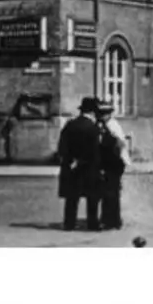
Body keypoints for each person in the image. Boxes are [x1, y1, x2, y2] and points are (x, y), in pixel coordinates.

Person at [57, 96, 104, 231]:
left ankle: (69, 224)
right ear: (93, 112)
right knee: (92, 197)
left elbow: (62, 147)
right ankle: (92, 224)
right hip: (89, 168)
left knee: (72, 198)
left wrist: (70, 161)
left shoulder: (70, 125)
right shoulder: (93, 128)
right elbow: (95, 151)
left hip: (71, 167)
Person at [96, 101, 129, 230]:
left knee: (111, 192)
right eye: (100, 113)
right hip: (112, 162)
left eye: (104, 114)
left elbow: (119, 144)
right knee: (110, 191)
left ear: (109, 114)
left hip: (115, 163)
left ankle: (112, 221)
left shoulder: (112, 125)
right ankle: (110, 219)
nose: (101, 116)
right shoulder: (106, 124)